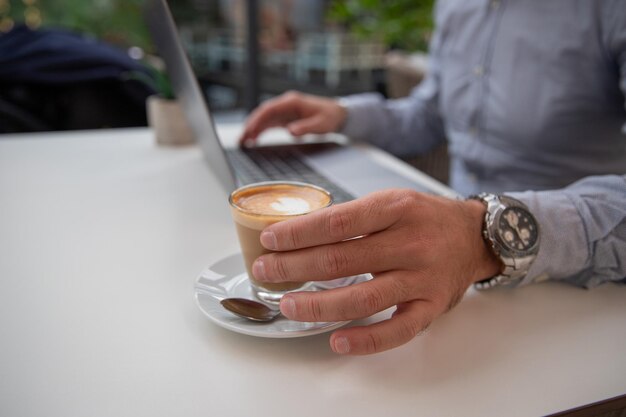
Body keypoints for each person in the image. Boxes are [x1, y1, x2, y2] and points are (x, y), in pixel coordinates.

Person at [239, 0, 626, 355]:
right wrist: (343, 115)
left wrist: (482, 236)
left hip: (573, 301)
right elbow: (430, 116)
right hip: (440, 268)